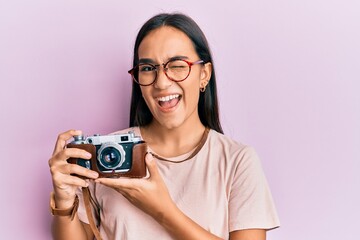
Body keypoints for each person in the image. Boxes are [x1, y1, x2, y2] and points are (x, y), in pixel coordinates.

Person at [48, 13, 280, 240]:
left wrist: (162, 210)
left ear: (204, 74)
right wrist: (64, 201)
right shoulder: (107, 154)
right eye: (148, 68)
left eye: (177, 65)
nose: (161, 82)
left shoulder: (236, 161)